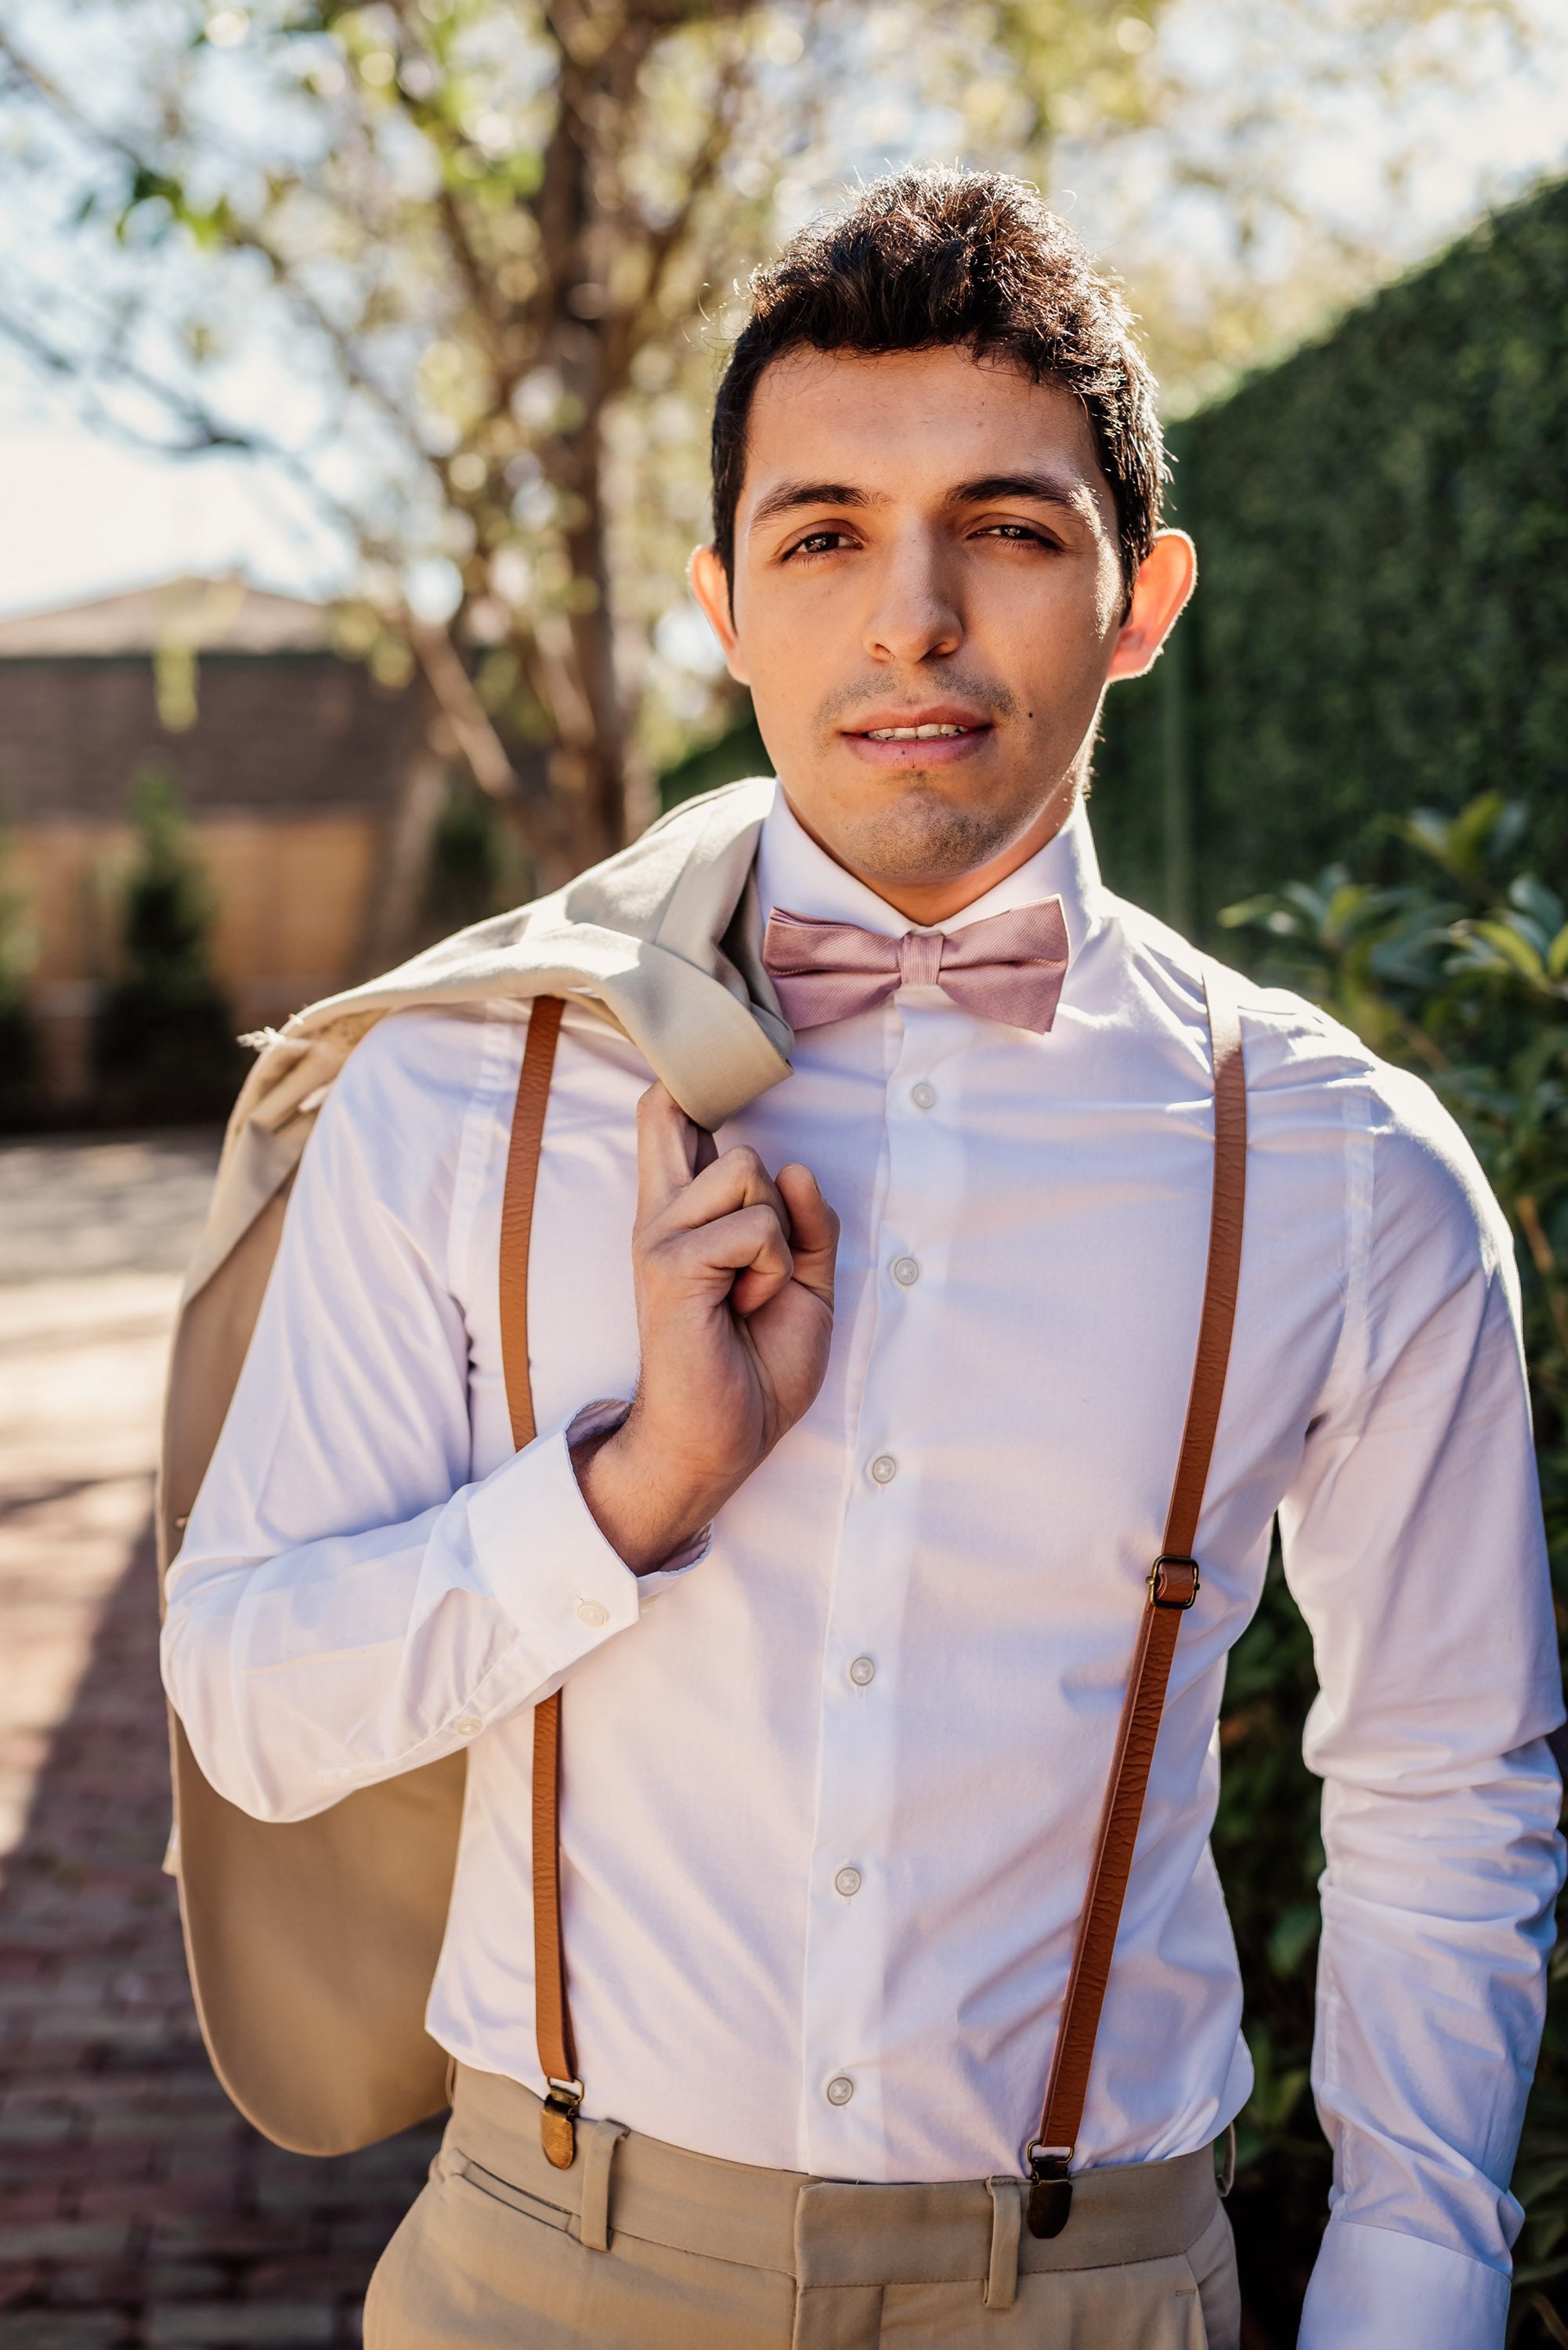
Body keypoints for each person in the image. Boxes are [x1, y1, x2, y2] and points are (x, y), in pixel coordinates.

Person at [159, 168, 1564, 2350]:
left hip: (1096, 2293)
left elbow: (1439, 1786)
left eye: (1004, 528)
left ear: (1140, 596)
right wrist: (626, 1495)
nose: (907, 616)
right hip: (537, 2273)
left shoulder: (1341, 1170)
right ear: (724, 603)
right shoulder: (462, 1096)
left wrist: (1409, 2286)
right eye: (821, 534)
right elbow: (247, 1703)